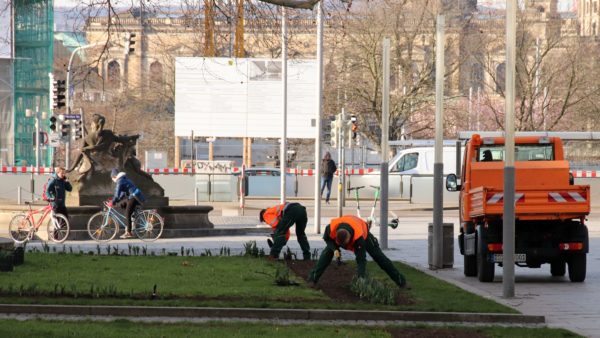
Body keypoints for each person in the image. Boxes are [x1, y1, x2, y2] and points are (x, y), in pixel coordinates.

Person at [308, 215, 407, 288]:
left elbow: (361, 260)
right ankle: (312, 279)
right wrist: (335, 249)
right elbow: (327, 239)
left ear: (350, 238)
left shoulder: (359, 238)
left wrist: (360, 279)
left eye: (345, 245)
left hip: (366, 236)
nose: (344, 247)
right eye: (342, 245)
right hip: (344, 232)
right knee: (326, 254)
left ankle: (401, 282)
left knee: (380, 258)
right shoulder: (331, 228)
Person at [110, 168, 145, 239]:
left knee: (127, 213)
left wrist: (113, 202)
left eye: (112, 178)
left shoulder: (120, 181)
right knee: (122, 204)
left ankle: (129, 232)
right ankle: (131, 220)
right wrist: (115, 201)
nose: (113, 180)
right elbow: (121, 194)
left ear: (114, 176)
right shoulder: (123, 179)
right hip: (133, 196)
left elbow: (117, 194)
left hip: (134, 197)